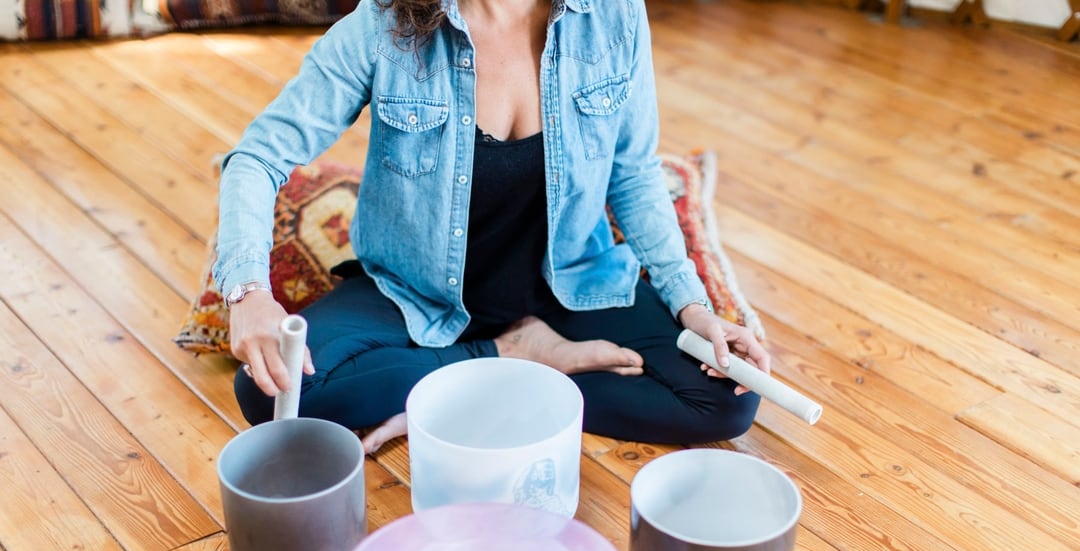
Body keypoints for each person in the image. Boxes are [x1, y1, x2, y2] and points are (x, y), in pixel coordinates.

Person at [214, 0, 770, 454]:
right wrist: (248, 291)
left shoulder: (613, 15)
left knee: (725, 397)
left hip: (569, 283)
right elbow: (259, 155)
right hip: (418, 290)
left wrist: (694, 309)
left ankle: (447, 385)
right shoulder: (384, 24)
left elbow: (633, 174)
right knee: (272, 392)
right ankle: (514, 359)